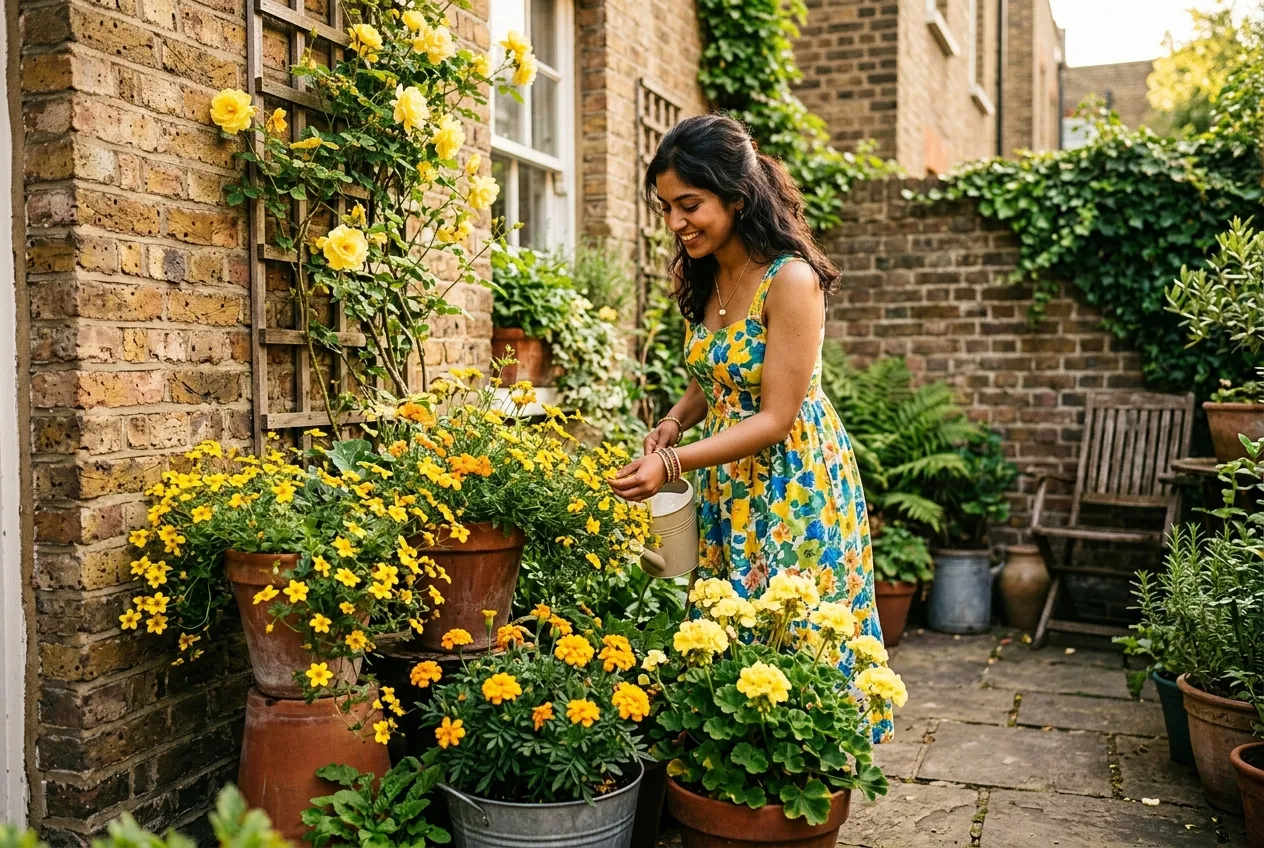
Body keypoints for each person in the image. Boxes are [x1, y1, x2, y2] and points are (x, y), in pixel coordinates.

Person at [608, 113, 892, 743]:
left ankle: (804, 783)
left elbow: (775, 416)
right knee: (728, 623)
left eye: (691, 204)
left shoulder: (790, 279)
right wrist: (675, 421)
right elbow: (716, 371)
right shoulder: (702, 273)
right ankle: (730, 775)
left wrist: (673, 465)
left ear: (736, 198)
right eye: (666, 208)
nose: (677, 223)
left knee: (792, 627)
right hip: (724, 477)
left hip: (790, 479)